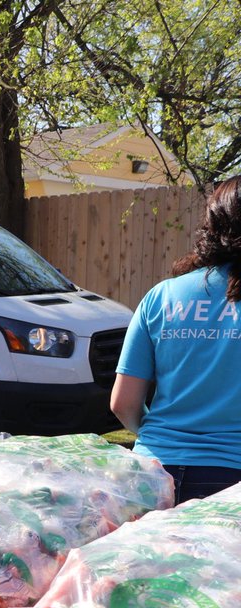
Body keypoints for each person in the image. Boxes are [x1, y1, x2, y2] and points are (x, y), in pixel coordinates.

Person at [112, 175, 241, 503]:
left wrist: (162, 439)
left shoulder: (161, 296)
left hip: (149, 476)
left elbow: (122, 403)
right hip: (229, 484)